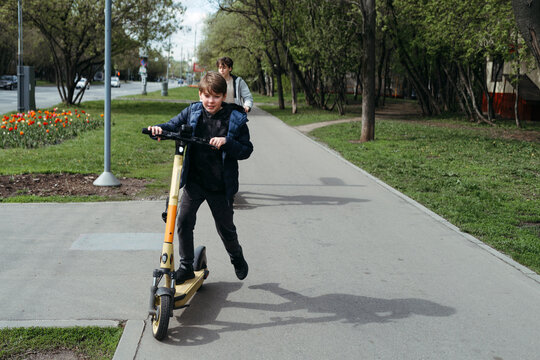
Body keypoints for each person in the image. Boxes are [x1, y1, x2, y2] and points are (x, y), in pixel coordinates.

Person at [147, 71, 253, 282]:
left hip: (220, 185)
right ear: (200, 95)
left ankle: (236, 256)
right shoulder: (193, 112)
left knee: (226, 229)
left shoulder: (235, 118)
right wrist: (158, 129)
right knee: (184, 221)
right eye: (206, 96)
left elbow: (246, 150)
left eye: (215, 96)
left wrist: (227, 142)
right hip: (195, 181)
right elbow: (172, 125)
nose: (210, 101)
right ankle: (186, 266)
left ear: (223, 97)